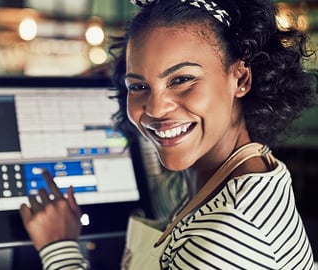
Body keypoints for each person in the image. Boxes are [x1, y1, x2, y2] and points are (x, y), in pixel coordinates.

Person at [19, 0, 317, 268]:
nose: (156, 108)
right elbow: (162, 189)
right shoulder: (225, 172)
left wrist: (58, 246)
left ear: (240, 78)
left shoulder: (225, 241)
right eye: (138, 86)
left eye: (182, 79)